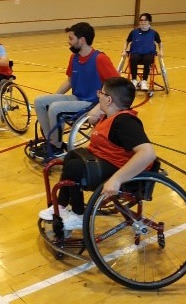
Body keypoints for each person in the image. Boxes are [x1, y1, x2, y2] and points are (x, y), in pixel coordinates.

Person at [38, 76, 156, 231]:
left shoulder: (125, 122)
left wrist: (116, 180)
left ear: (108, 100)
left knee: (75, 167)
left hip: (121, 170)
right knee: (71, 157)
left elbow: (148, 153)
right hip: (106, 159)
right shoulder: (110, 114)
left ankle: (78, 214)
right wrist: (95, 111)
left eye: (101, 92)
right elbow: (98, 113)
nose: (98, 94)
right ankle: (60, 205)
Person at [32, 22, 118, 159]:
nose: (69, 42)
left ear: (82, 40)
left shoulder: (100, 59)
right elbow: (69, 81)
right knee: (40, 101)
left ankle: (57, 148)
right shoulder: (75, 57)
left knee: (55, 108)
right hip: (77, 98)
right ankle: (52, 141)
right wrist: (55, 96)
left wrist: (100, 108)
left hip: (91, 103)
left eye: (71, 39)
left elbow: (117, 85)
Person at [122, 13, 163, 91]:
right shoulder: (134, 32)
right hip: (136, 53)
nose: (143, 22)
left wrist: (161, 51)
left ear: (149, 21)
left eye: (145, 20)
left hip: (148, 54)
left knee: (147, 59)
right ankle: (134, 80)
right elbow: (127, 42)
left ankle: (144, 81)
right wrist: (124, 50)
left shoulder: (153, 33)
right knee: (133, 58)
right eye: (141, 20)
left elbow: (159, 43)